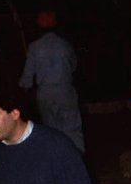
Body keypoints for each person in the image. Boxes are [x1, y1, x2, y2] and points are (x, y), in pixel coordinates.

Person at [19, 10, 85, 153]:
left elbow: (27, 77)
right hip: (65, 90)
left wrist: (23, 88)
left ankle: (57, 163)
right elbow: (73, 66)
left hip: (45, 93)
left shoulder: (34, 47)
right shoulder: (65, 45)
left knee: (52, 132)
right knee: (72, 130)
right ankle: (78, 162)